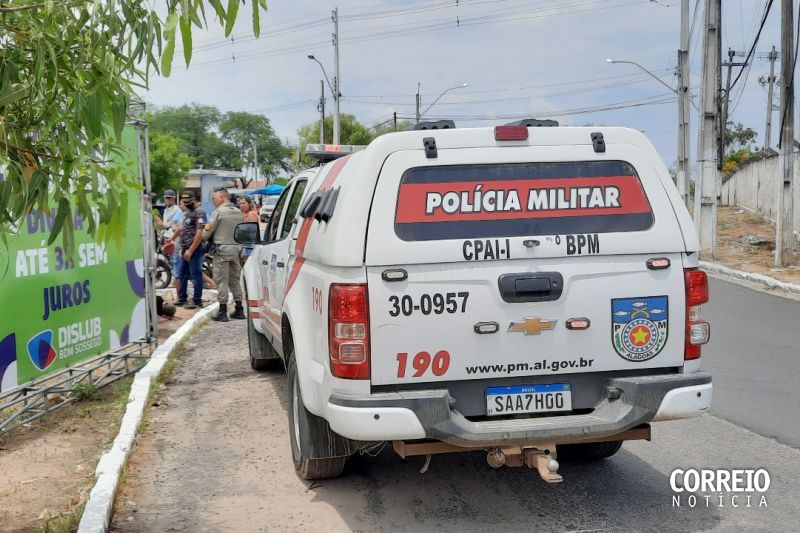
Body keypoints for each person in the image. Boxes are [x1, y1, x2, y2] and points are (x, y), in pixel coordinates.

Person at [203, 187, 245, 321]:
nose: (213, 201)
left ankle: (222, 312)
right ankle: (239, 309)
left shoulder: (218, 212)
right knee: (235, 280)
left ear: (222, 197)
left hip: (221, 250)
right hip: (236, 249)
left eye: (214, 198)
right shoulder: (239, 212)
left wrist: (205, 234)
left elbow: (206, 233)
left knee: (222, 280)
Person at [176, 190, 207, 309]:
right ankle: (182, 298)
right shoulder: (188, 212)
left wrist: (191, 250)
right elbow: (183, 228)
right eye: (184, 202)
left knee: (195, 274)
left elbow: (199, 233)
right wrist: (182, 248)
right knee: (182, 274)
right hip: (185, 248)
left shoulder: (200, 212)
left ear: (194, 199)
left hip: (195, 248)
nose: (186, 203)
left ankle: (197, 301)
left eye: (188, 201)